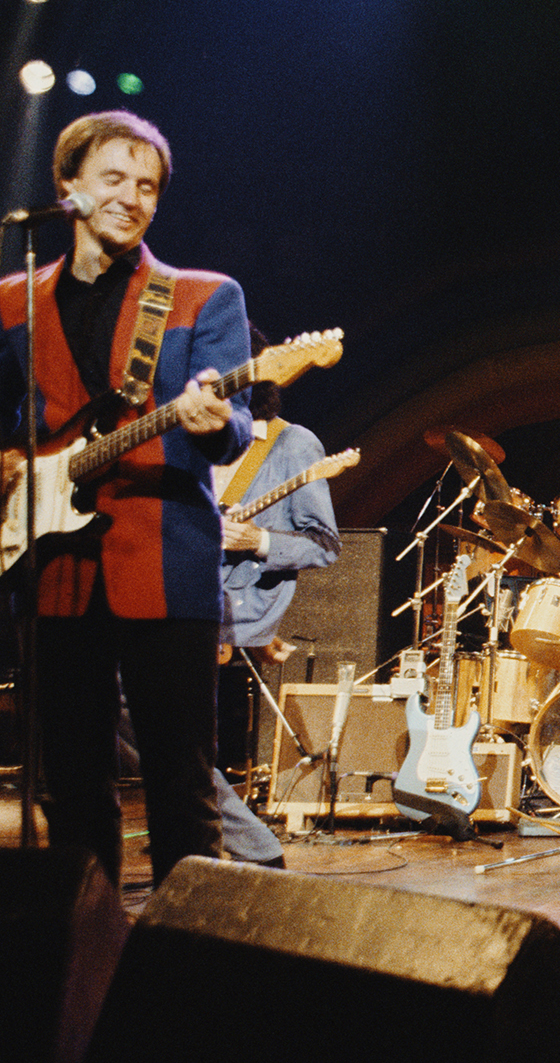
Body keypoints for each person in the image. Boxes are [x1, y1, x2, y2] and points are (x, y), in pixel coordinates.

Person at [0, 110, 252, 888]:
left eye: (147, 186)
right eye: (114, 178)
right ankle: (80, 956)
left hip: (165, 561)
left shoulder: (202, 297)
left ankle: (187, 964)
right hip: (52, 566)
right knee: (72, 785)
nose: (132, 197)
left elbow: (235, 425)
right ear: (67, 185)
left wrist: (218, 422)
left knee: (181, 785)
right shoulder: (18, 297)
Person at [214, 330, 341, 865]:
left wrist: (256, 540)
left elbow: (323, 545)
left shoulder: (292, 445)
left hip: (226, 606)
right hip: (169, 593)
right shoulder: (185, 442)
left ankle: (253, 850)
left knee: (165, 735)